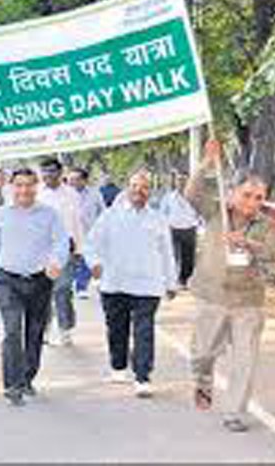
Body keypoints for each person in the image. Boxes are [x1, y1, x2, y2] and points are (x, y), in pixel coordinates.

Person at [185, 139, 275, 433]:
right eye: (247, 195)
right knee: (202, 354)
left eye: (259, 197)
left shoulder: (266, 225)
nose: (252, 202)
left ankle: (234, 413)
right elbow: (191, 194)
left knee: (245, 360)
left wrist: (249, 244)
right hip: (212, 297)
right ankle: (203, 382)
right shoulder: (216, 211)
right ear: (233, 193)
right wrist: (206, 161)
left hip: (248, 302)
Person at [84, 170, 178, 398]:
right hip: (115, 282)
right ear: (127, 188)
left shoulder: (158, 220)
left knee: (144, 330)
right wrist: (94, 263)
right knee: (117, 328)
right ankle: (118, 365)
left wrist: (171, 281)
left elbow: (167, 253)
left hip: (148, 285)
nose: (139, 191)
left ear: (150, 192)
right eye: (135, 186)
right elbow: (91, 244)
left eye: (144, 187)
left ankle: (143, 376)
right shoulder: (110, 216)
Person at [0, 168, 68, 406]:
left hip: (39, 280)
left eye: (29, 185)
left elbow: (61, 242)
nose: (24, 190)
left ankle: (28, 377)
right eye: (19, 185)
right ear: (11, 187)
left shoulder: (49, 214)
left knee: (35, 332)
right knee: (12, 331)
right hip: (8, 280)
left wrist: (56, 262)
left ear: (36, 187)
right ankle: (12, 384)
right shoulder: (0, 215)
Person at [38, 158, 84, 346]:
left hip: (67, 247)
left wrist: (80, 249)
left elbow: (77, 222)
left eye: (51, 171)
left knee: (62, 290)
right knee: (44, 291)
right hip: (42, 249)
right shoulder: (38, 194)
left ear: (60, 172)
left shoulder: (72, 195)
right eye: (44, 172)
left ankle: (65, 328)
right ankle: (45, 329)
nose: (48, 175)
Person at [67, 167, 106, 299]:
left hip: (90, 232)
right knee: (72, 260)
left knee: (86, 259)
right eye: (70, 179)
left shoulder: (95, 194)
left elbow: (102, 211)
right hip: (70, 234)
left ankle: (81, 286)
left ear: (84, 180)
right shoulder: (65, 194)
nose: (72, 182)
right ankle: (71, 284)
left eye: (76, 179)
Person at [160, 171, 202, 288]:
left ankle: (184, 280)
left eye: (184, 180)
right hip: (173, 230)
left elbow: (200, 211)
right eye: (179, 180)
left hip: (189, 229)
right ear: (176, 182)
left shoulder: (194, 197)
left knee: (188, 257)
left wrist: (200, 223)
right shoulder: (169, 197)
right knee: (173, 256)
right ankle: (172, 280)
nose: (181, 182)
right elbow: (162, 214)